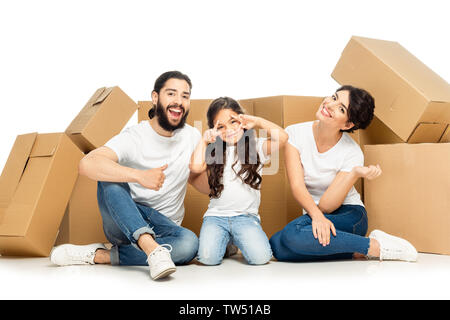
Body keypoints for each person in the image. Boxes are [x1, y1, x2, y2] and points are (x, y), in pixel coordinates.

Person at [50, 71, 208, 280]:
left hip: (166, 229)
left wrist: (228, 179)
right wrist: (139, 176)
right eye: (171, 94)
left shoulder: (192, 136)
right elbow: (87, 163)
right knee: (109, 177)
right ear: (155, 97)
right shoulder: (134, 137)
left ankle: (101, 255)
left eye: (185, 96)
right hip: (125, 223)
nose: (179, 101)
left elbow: (197, 180)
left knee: (189, 244)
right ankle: (150, 247)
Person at [269, 85, 418, 262]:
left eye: (341, 109)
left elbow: (326, 206)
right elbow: (297, 185)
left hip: (349, 216)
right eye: (333, 97)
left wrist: (353, 173)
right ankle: (355, 249)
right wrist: (317, 217)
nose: (329, 105)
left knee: (292, 235)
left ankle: (375, 247)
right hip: (314, 215)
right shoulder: (294, 133)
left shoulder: (352, 153)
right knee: (277, 246)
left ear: (348, 124)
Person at [189, 97, 288, 265]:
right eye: (221, 126)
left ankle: (235, 238)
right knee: (207, 259)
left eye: (233, 122)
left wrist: (256, 121)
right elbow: (195, 168)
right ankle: (227, 243)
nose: (229, 130)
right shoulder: (212, 151)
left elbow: (283, 138)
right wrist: (204, 140)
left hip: (246, 217)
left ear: (242, 119)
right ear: (214, 129)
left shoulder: (256, 146)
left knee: (261, 258)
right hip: (216, 218)